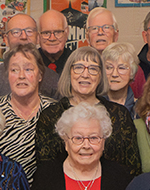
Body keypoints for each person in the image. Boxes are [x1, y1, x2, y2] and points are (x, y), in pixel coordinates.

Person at [35, 47, 140, 175]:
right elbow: (45, 169)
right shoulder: (50, 116)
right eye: (78, 67)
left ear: (101, 76)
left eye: (93, 69)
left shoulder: (119, 115)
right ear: (69, 73)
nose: (85, 74)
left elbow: (132, 168)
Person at [0, 44, 55, 184]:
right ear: (7, 76)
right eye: (14, 70)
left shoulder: (55, 111)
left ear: (40, 75)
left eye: (28, 69)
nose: (21, 76)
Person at [0, 13, 61, 98]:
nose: (24, 36)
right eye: (16, 32)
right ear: (6, 39)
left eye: (29, 31)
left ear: (38, 38)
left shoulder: (53, 79)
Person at [86, 7, 145, 95]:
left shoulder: (133, 69)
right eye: (94, 28)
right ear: (87, 37)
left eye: (106, 27)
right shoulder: (81, 70)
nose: (100, 32)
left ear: (116, 35)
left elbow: (143, 103)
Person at [102, 42, 140, 118]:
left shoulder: (141, 109)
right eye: (109, 67)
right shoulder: (93, 106)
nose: (114, 74)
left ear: (132, 72)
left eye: (121, 68)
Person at [38, 8, 73, 74]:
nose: (52, 38)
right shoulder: (30, 62)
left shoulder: (77, 61)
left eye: (58, 32)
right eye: (46, 33)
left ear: (66, 33)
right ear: (38, 36)